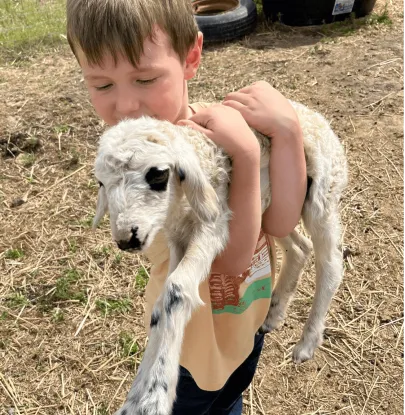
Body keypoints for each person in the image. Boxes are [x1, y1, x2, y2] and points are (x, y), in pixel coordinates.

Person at [66, 1, 306, 413]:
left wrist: (287, 132)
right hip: (191, 355)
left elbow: (281, 222)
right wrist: (247, 157)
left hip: (247, 324)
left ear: (191, 57)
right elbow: (232, 261)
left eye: (145, 78)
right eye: (102, 85)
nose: (126, 105)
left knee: (230, 401)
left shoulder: (216, 127)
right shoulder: (142, 175)